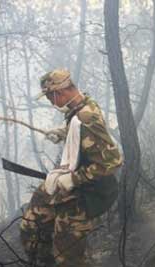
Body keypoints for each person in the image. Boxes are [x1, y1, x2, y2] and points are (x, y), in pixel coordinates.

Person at [20, 69, 123, 267]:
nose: (51, 102)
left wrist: (72, 179)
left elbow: (112, 162)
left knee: (67, 255)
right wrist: (62, 132)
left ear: (59, 92)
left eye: (50, 96)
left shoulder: (87, 116)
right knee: (31, 224)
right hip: (75, 184)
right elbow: (83, 135)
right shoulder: (81, 106)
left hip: (90, 193)